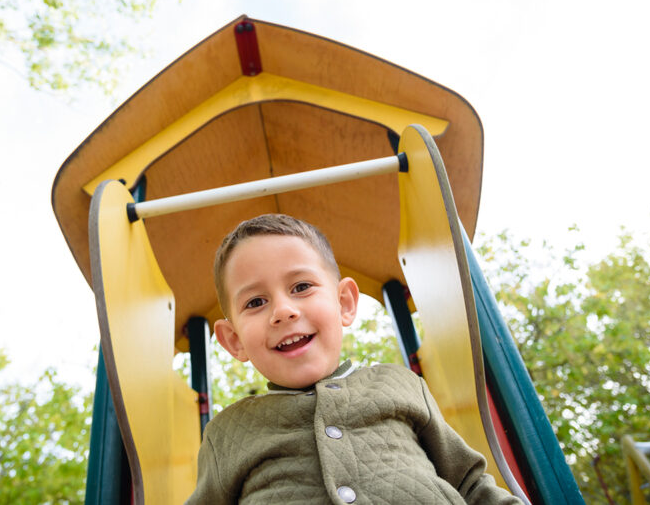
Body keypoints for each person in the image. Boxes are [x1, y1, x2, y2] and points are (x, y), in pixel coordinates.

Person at [186, 214, 522, 504]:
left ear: (345, 303)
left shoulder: (399, 384)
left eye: (301, 286)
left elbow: (470, 483)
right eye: (256, 302)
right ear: (234, 341)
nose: (283, 311)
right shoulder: (228, 432)